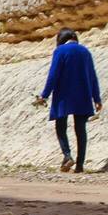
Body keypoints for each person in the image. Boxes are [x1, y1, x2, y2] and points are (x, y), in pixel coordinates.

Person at [36, 28, 102, 173]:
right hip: (83, 95)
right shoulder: (85, 52)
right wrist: (97, 98)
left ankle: (67, 155)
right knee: (80, 130)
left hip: (64, 95)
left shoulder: (60, 51)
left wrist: (44, 95)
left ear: (60, 39)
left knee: (61, 127)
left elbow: (53, 75)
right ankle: (79, 165)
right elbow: (92, 76)